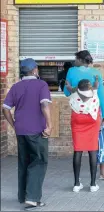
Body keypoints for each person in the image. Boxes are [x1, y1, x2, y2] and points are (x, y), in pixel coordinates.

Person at [2, 58, 52, 210]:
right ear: (35, 70)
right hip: (37, 130)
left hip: (21, 130)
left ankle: (23, 195)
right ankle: (32, 198)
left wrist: (14, 124)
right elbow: (44, 105)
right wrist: (50, 125)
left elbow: (5, 108)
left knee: (24, 162)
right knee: (39, 161)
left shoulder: (16, 86)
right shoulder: (41, 84)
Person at [64, 50, 104, 193]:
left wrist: (71, 88)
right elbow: (100, 95)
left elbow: (66, 92)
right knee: (92, 149)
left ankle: (76, 184)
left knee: (78, 149)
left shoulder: (71, 71)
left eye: (76, 59)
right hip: (93, 116)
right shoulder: (96, 73)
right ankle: (93, 184)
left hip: (77, 116)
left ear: (81, 60)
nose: (74, 61)